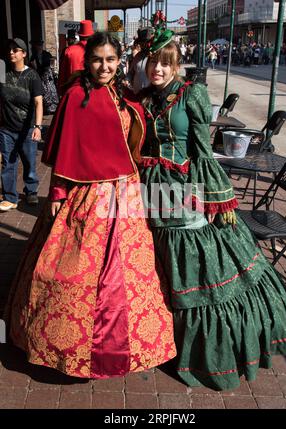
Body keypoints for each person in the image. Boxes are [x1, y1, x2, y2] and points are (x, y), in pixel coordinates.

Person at [4, 32, 176, 379]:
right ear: (89, 60)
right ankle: (66, 347)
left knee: (130, 271)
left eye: (111, 59)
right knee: (70, 263)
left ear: (119, 61)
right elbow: (66, 150)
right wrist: (56, 194)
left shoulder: (123, 93)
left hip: (124, 190)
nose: (104, 66)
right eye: (98, 59)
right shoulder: (74, 96)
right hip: (87, 194)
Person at [137, 24, 286, 391]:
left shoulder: (191, 95)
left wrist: (214, 195)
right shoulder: (144, 99)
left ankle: (201, 349)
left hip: (182, 188)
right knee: (155, 258)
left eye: (165, 63)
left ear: (176, 65)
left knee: (193, 260)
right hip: (148, 188)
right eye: (153, 63)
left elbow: (202, 152)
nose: (157, 69)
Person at [0, 38, 42, 211]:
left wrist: (38, 127)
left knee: (29, 162)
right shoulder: (3, 74)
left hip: (27, 128)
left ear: (23, 54)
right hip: (6, 129)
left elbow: (39, 102)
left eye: (16, 50)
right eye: (10, 49)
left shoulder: (32, 75)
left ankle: (31, 191)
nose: (11, 52)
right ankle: (10, 197)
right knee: (8, 164)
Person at [57, 20, 94, 96]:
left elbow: (62, 76)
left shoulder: (69, 51)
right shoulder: (97, 50)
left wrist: (61, 93)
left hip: (73, 93)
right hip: (93, 92)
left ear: (79, 36)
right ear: (91, 36)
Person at [29, 39, 59, 115]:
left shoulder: (46, 54)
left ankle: (53, 108)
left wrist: (52, 68)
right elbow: (32, 65)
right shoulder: (34, 55)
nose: (39, 47)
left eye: (40, 46)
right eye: (38, 46)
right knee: (44, 92)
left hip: (47, 75)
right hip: (40, 75)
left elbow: (52, 61)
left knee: (51, 91)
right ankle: (46, 109)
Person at [127, 27, 153, 94]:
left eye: (146, 43)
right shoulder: (137, 56)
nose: (144, 45)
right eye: (141, 43)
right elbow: (131, 71)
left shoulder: (155, 57)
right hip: (136, 92)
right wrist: (127, 79)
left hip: (150, 94)